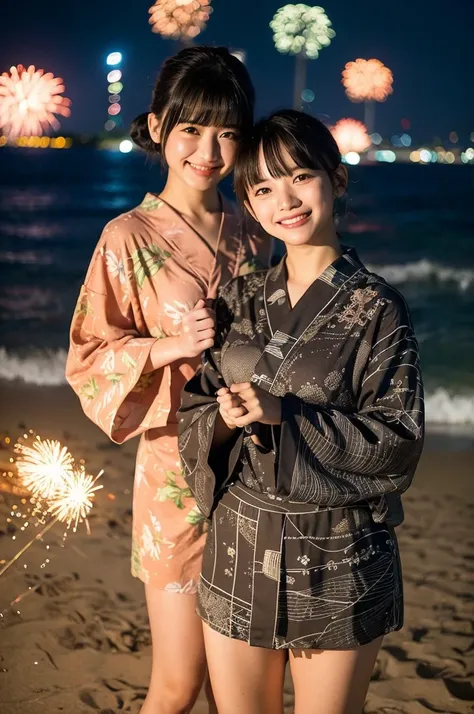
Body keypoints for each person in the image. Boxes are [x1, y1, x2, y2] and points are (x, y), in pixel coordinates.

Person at [178, 109, 424, 714]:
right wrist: (224, 416)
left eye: (300, 176)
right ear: (250, 204)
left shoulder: (377, 308)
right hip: (238, 544)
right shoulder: (236, 300)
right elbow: (195, 406)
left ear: (336, 180)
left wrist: (284, 414)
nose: (283, 200)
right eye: (262, 188)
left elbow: (398, 440)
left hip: (337, 557)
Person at [66, 46, 269, 714]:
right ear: (157, 128)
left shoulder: (255, 232)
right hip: (175, 474)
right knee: (180, 684)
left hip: (255, 473)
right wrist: (167, 346)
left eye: (228, 133)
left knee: (241, 688)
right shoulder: (125, 237)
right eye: (191, 129)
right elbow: (90, 355)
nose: (209, 150)